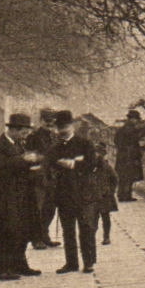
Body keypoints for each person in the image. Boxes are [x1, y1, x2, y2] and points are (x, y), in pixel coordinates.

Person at [0, 113, 46, 280]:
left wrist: (32, 168)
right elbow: (1, 167)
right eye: (22, 132)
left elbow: (21, 166)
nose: (24, 135)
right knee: (4, 232)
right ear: (12, 129)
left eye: (26, 132)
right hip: (4, 197)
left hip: (21, 195)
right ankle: (2, 269)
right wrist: (24, 160)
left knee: (22, 230)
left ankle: (20, 264)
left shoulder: (19, 145)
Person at [47, 110, 99, 274]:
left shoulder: (85, 144)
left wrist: (73, 165)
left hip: (84, 193)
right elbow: (49, 166)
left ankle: (88, 262)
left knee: (86, 229)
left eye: (65, 126)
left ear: (73, 125)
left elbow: (92, 164)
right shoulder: (55, 147)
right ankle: (71, 263)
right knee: (68, 231)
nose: (62, 130)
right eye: (59, 127)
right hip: (64, 194)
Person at [24, 106, 59, 249]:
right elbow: (29, 157)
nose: (49, 123)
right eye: (46, 120)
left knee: (50, 208)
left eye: (52, 121)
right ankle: (36, 238)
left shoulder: (55, 137)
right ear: (41, 120)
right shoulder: (33, 137)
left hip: (52, 176)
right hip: (38, 177)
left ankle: (45, 235)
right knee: (38, 208)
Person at [88, 142, 119, 246]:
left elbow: (114, 179)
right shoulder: (88, 167)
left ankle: (106, 236)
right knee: (93, 218)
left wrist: (111, 191)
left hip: (105, 196)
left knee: (105, 217)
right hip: (93, 196)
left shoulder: (106, 167)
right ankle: (91, 236)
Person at [114, 109, 145, 202]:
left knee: (123, 177)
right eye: (136, 119)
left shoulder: (122, 128)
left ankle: (121, 195)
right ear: (132, 119)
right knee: (129, 176)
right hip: (129, 156)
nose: (137, 121)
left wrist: (121, 148)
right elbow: (135, 139)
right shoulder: (131, 129)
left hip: (122, 155)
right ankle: (126, 196)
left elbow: (116, 141)